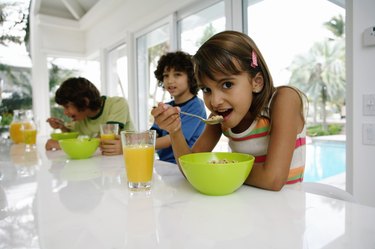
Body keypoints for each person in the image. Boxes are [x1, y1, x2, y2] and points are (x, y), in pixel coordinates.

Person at [151, 31, 308, 191]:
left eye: (227, 85)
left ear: (257, 82)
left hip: (288, 209)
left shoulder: (283, 100)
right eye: (206, 89)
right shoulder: (219, 118)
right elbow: (190, 167)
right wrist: (175, 130)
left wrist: (217, 167)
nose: (215, 101)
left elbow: (272, 179)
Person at [45, 77, 135, 152]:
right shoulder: (82, 118)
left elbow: (108, 139)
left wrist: (61, 145)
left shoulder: (117, 103)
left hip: (127, 160)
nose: (65, 112)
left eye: (67, 107)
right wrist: (62, 127)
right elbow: (72, 135)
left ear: (84, 102)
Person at [150, 51, 206, 163]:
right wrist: (133, 138)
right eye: (166, 76)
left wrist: (140, 143)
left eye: (177, 74)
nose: (170, 81)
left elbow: (171, 139)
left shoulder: (196, 106)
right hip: (164, 164)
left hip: (184, 165)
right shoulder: (167, 106)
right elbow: (153, 134)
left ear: (191, 77)